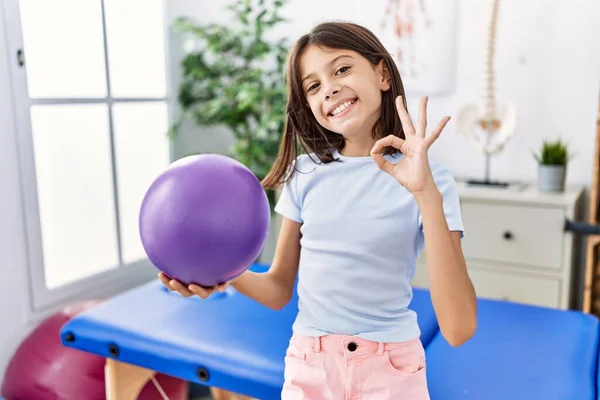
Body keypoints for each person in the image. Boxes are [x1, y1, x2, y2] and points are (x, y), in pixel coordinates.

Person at [159, 21, 477, 399]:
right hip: (310, 367)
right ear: (308, 106)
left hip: (391, 371)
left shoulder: (432, 180)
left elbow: (458, 327)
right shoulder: (303, 173)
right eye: (314, 86)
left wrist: (426, 195)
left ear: (383, 73)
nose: (330, 88)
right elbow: (278, 289)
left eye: (342, 69)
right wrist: (217, 272)